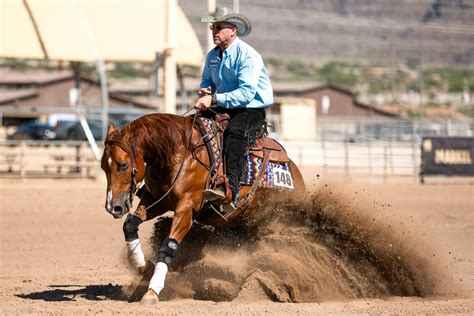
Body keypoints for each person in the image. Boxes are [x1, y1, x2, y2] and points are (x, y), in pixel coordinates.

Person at [195, 7, 273, 209]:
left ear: (233, 30)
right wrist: (206, 91)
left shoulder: (247, 55)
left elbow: (246, 94)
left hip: (250, 108)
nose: (214, 31)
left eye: (219, 27)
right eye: (213, 27)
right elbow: (207, 80)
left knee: (235, 133)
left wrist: (213, 98)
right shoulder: (213, 56)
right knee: (193, 125)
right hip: (223, 104)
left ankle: (233, 191)